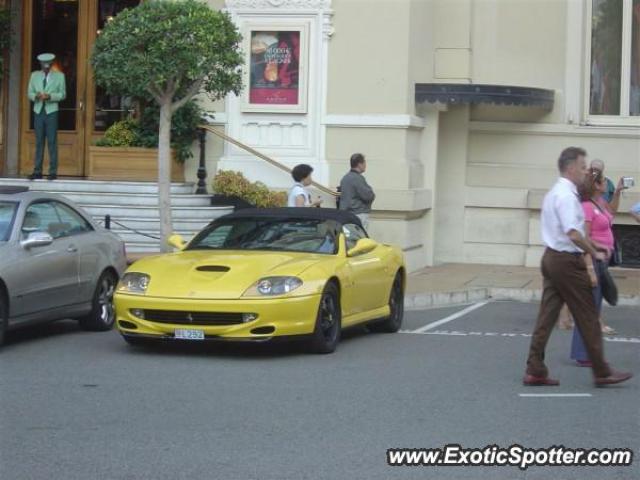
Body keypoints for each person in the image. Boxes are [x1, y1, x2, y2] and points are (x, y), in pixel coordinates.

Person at [523, 147, 632, 387]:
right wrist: (594, 252)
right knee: (588, 316)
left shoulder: (556, 192)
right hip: (566, 262)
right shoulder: (566, 196)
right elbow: (573, 233)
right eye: (583, 167)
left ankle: (535, 369)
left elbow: (573, 231)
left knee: (547, 316)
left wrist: (593, 245)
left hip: (552, 257)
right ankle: (602, 372)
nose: (586, 172)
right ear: (571, 168)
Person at [571, 169, 617, 367]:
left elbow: (612, 213)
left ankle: (587, 352)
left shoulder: (600, 203)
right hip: (593, 261)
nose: (606, 182)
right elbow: (584, 238)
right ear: (596, 185)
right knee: (588, 309)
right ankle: (583, 354)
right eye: (603, 180)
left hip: (602, 261)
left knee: (593, 308)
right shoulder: (587, 207)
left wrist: (618, 192)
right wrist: (590, 267)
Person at [27, 53, 66, 181]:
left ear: (51, 64)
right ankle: (37, 171)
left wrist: (50, 96)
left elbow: (62, 94)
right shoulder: (34, 75)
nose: (46, 68)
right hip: (38, 111)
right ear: (40, 65)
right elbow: (29, 93)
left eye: (48, 65)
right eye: (44, 66)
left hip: (51, 111)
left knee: (52, 141)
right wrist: (36, 96)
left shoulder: (60, 76)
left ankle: (53, 172)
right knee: (39, 142)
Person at [339, 153, 375, 229]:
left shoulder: (345, 178)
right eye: (364, 163)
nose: (365, 165)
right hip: (359, 214)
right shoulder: (357, 178)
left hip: (346, 214)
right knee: (360, 239)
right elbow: (368, 196)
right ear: (359, 164)